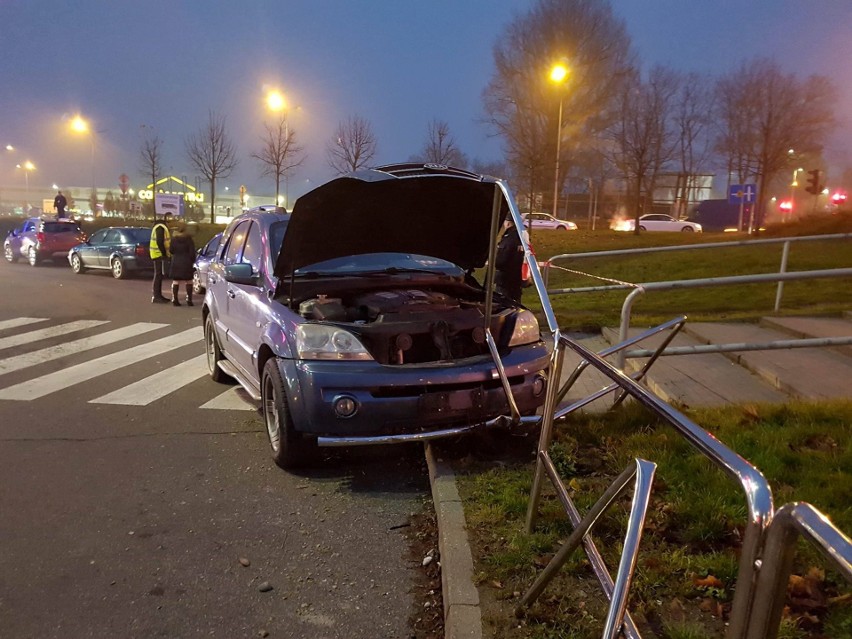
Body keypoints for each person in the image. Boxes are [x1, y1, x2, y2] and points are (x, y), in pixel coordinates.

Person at [494, 218, 525, 303]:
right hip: (518, 279)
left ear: (508, 223)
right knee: (516, 303)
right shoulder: (523, 237)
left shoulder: (508, 238)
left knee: (504, 304)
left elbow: (500, 261)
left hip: (505, 279)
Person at [168, 222, 196, 307]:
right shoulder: (189, 239)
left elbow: (171, 250)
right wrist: (192, 260)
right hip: (186, 261)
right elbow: (192, 252)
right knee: (189, 281)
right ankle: (189, 300)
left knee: (176, 281)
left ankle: (175, 299)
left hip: (176, 261)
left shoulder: (174, 239)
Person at [149, 214, 172, 303]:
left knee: (159, 275)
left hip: (157, 254)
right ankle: (156, 296)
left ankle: (158, 295)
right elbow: (159, 241)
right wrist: (164, 254)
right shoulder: (160, 227)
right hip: (158, 255)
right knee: (158, 275)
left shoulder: (158, 226)